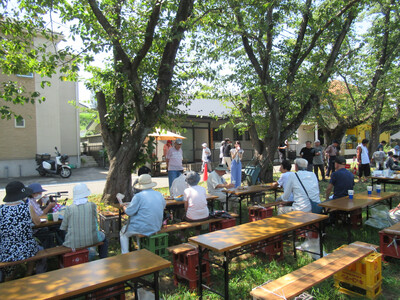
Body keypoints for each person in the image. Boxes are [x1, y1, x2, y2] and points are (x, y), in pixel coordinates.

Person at [0, 181, 46, 281]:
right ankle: (29, 273)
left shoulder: (1, 209)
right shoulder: (27, 207)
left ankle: (8, 279)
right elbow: (38, 222)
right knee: (39, 247)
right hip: (27, 249)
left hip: (6, 251)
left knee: (10, 260)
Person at [119, 174, 166, 254]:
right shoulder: (158, 194)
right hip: (156, 226)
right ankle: (139, 249)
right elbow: (163, 206)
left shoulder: (138, 196)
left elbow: (129, 212)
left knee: (123, 233)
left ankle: (125, 253)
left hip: (142, 227)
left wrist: (123, 206)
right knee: (139, 223)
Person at [60, 183, 108, 258]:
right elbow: (95, 222)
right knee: (104, 238)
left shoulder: (69, 208)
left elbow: (63, 227)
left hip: (73, 242)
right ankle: (103, 258)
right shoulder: (92, 206)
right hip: (92, 238)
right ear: (86, 194)